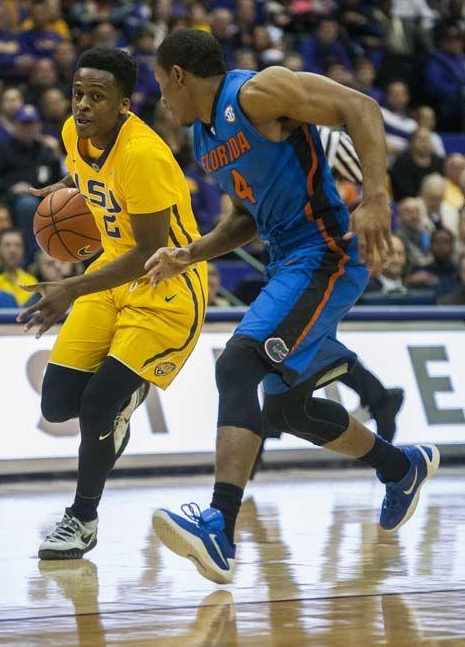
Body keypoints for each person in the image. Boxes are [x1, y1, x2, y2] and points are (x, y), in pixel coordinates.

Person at [147, 29, 438, 584]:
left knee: (237, 363)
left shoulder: (257, 93)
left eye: (162, 85)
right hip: (288, 261)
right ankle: (402, 468)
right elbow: (245, 219)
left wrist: (377, 197)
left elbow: (361, 106)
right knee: (287, 411)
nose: (162, 99)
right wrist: (190, 254)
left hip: (324, 253)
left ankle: (219, 526)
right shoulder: (208, 140)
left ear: (181, 76)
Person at [18, 47, 206, 560]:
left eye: (96, 97)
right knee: (58, 404)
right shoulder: (71, 135)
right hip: (111, 277)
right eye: (78, 93)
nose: (82, 105)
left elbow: (150, 251)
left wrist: (70, 288)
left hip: (165, 285)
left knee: (99, 406)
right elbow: (88, 177)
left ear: (124, 104)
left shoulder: (145, 155)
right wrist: (61, 189)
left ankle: (81, 520)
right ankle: (114, 415)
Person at [0, 104, 61, 264]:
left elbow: (57, 181)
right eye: (24, 124)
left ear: (39, 126)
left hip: (42, 198)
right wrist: (12, 187)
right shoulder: (2, 149)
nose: (28, 128)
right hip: (9, 199)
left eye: (32, 124)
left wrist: (56, 154)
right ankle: (29, 259)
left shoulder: (44, 150)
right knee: (27, 204)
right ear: (15, 125)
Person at [390, 128, 444, 202]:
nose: (424, 142)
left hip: (435, 201)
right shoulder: (402, 162)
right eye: (420, 139)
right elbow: (402, 190)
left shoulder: (439, 161)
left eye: (427, 139)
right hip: (409, 202)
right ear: (411, 142)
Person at [0, 227, 37, 306]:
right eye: (7, 245)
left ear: (24, 250)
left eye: (18, 245)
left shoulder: (32, 281)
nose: (12, 250)